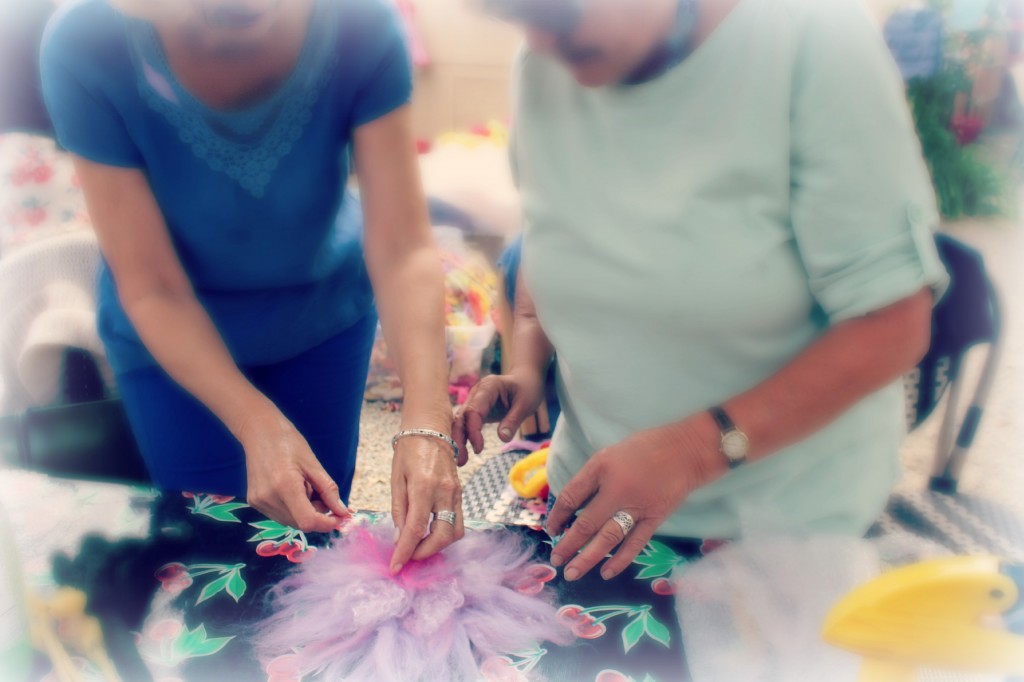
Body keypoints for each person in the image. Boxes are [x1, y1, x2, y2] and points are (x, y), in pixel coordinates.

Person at [455, 0, 949, 581]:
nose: (538, 41)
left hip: (778, 533)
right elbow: (554, 238)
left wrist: (692, 450)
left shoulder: (815, 39)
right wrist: (529, 368)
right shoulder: (542, 63)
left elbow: (893, 324)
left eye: (558, 14)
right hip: (593, 508)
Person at [40, 0, 461, 570]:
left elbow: (403, 246)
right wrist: (255, 423)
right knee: (210, 554)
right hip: (170, 343)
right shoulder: (83, 42)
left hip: (323, 324)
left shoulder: (362, 22)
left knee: (310, 543)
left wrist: (427, 423)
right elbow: (152, 286)